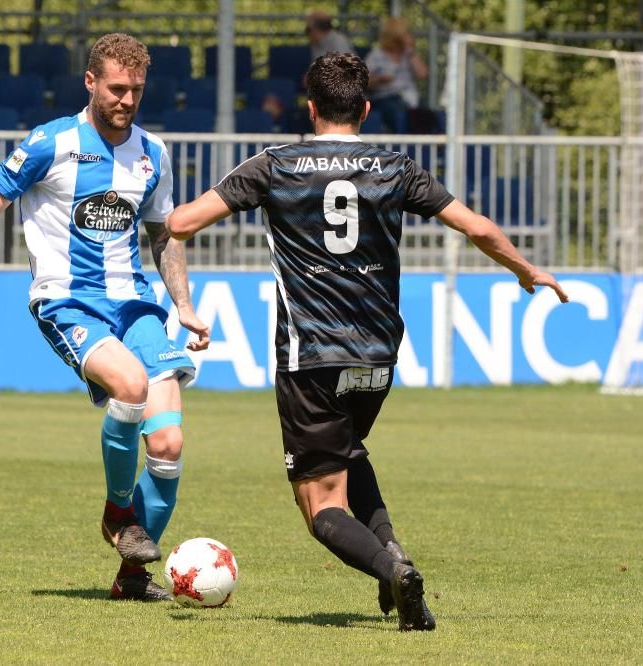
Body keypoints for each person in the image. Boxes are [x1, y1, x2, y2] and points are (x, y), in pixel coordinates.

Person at [166, 52, 569, 630]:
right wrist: (526, 270)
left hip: (312, 356)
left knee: (320, 503)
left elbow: (181, 223)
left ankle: (391, 571)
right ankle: (395, 554)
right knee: (351, 452)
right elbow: (476, 226)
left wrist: (175, 270)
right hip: (379, 355)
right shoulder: (396, 167)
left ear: (310, 107)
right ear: (365, 108)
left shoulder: (274, 165)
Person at [0, 33, 210, 602]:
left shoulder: (154, 153)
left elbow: (164, 234)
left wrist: (183, 304)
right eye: (117, 88)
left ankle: (131, 577)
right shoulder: (49, 143)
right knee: (128, 385)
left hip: (137, 306)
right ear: (91, 82)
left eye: (137, 91)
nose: (127, 100)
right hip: (68, 301)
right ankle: (116, 514)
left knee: (170, 445)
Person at [365, 17, 428, 134]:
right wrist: (379, 80)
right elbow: (363, 80)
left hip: (409, 97)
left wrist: (411, 51)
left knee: (427, 112)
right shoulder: (377, 55)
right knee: (399, 113)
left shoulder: (408, 54)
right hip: (385, 98)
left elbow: (422, 74)